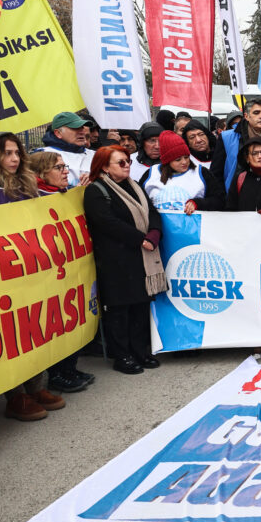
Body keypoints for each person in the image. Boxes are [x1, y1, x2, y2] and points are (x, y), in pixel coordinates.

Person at [83, 146, 168, 375]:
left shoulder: (134, 185)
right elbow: (107, 222)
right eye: (120, 162)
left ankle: (140, 351)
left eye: (128, 161)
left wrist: (154, 233)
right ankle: (122, 356)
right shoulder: (96, 191)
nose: (127, 165)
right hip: (115, 259)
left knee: (140, 305)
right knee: (119, 309)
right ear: (104, 167)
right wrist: (141, 239)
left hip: (140, 256)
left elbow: (151, 211)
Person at [0, 134, 66, 420]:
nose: (14, 158)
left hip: (29, 269)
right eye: (7, 153)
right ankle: (16, 396)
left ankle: (36, 387)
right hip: (5, 274)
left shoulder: (27, 184)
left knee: (32, 328)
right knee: (10, 333)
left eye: (17, 152)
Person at [25, 151, 95, 393]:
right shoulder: (33, 199)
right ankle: (57, 374)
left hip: (71, 270)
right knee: (55, 323)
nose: (66, 171)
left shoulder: (65, 194)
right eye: (59, 167)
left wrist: (82, 192)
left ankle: (69, 368)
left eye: (65, 166)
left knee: (72, 319)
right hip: (48, 275)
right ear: (41, 173)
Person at [212, 97, 261, 190]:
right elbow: (216, 174)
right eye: (256, 112)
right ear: (246, 116)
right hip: (237, 195)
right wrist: (225, 197)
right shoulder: (226, 138)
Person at [139, 131, 226, 214]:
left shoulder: (201, 172)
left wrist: (198, 203)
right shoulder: (151, 174)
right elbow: (140, 201)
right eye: (178, 160)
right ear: (167, 161)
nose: (184, 162)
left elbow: (220, 200)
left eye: (186, 157)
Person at [37, 112, 94, 187]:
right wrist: (74, 189)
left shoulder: (96, 155)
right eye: (75, 128)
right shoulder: (43, 155)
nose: (82, 132)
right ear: (58, 133)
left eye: (82, 127)